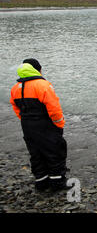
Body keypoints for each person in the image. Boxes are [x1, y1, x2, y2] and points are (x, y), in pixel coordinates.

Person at [10, 59, 68, 192]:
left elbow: (16, 108)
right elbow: (54, 108)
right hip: (45, 125)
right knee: (55, 151)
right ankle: (57, 183)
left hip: (27, 126)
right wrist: (59, 124)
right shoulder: (43, 85)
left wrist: (26, 120)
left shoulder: (15, 88)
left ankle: (41, 182)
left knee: (35, 153)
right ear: (37, 69)